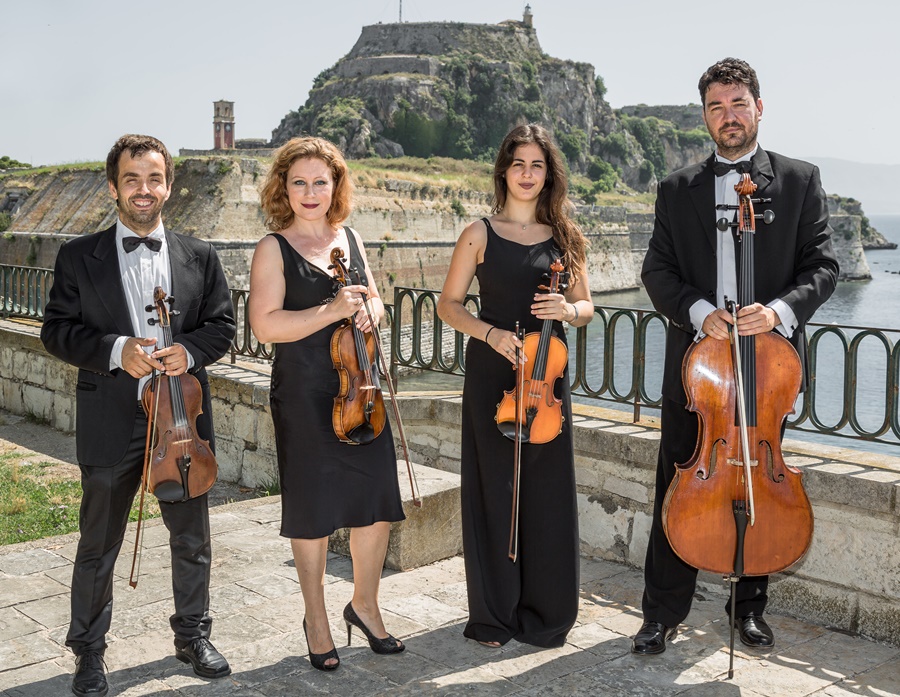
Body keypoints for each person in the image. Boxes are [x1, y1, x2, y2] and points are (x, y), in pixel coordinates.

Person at [634, 58, 839, 655]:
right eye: (716, 107)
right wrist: (701, 313)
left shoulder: (799, 180)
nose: (728, 116)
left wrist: (776, 314)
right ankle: (661, 613)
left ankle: (748, 609)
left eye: (738, 104)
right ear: (705, 116)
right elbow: (657, 272)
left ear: (759, 108)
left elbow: (823, 268)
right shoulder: (677, 189)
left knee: (757, 486)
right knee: (676, 486)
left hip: (766, 371)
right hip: (698, 372)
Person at [40, 134, 236, 696]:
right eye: (132, 179)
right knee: (98, 545)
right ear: (113, 187)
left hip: (181, 420)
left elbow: (222, 326)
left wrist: (189, 352)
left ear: (169, 186)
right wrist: (115, 349)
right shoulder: (78, 256)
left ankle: (193, 636)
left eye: (154, 179)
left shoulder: (200, 255)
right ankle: (89, 652)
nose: (143, 190)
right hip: (111, 416)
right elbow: (56, 330)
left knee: (192, 538)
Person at [248, 136, 406, 671]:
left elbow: (376, 300)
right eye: (299, 182)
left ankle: (365, 605)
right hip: (304, 394)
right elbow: (265, 325)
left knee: (375, 503)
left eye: (321, 181)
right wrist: (331, 310)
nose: (311, 192)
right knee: (312, 511)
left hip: (361, 388)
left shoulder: (351, 238)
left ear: (336, 186)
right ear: (284, 188)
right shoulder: (273, 248)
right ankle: (316, 618)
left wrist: (369, 312)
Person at [437, 123, 594, 648]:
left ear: (549, 175)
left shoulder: (567, 236)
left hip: (546, 376)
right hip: (493, 374)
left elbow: (587, 307)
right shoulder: (479, 233)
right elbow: (448, 305)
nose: (527, 174)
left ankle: (547, 614)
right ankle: (493, 616)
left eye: (537, 166)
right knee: (494, 492)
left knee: (547, 494)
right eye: (519, 164)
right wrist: (490, 333)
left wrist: (567, 309)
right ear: (504, 170)